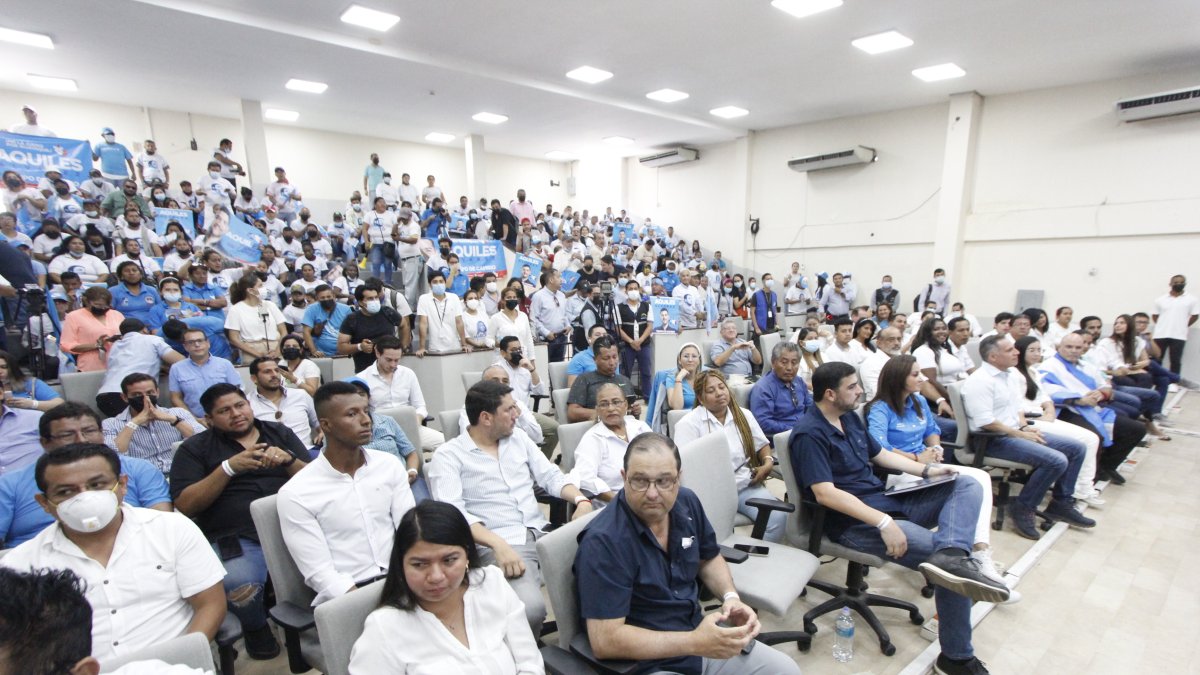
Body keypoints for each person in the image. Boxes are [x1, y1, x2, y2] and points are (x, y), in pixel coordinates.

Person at [791, 361, 1007, 675]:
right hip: (852, 521)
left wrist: (928, 471)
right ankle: (956, 659)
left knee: (965, 484)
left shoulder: (849, 417)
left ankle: (952, 555)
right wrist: (883, 522)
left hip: (883, 500)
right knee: (945, 565)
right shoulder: (809, 434)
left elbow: (879, 455)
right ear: (830, 394)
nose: (860, 391)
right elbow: (825, 494)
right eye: (852, 387)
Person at [575, 432, 802, 675]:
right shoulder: (604, 542)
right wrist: (696, 642)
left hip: (698, 636)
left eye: (664, 481)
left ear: (678, 479)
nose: (652, 493)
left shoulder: (686, 502)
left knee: (785, 670)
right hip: (647, 662)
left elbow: (709, 557)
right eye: (640, 481)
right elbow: (606, 641)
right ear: (624, 477)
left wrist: (730, 597)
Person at [1, 443, 225, 664]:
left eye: (97, 485)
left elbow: (210, 605)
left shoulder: (171, 529)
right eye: (66, 492)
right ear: (44, 503)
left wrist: (181, 662)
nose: (84, 498)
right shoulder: (20, 566)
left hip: (175, 666)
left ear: (123, 485)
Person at [428, 379, 594, 635]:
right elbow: (453, 514)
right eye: (510, 409)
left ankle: (583, 643)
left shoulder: (517, 438)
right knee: (530, 609)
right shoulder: (449, 456)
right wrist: (497, 544)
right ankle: (522, 655)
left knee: (605, 576)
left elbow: (550, 475)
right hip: (499, 542)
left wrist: (580, 500)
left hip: (541, 532)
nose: (517, 414)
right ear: (486, 417)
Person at [170, 383, 311, 660]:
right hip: (237, 534)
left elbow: (316, 478)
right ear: (209, 419)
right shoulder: (195, 448)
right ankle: (255, 626)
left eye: (240, 405)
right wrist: (228, 468)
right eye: (224, 411)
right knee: (240, 587)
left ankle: (312, 620)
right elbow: (186, 504)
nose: (236, 414)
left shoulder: (279, 432)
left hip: (296, 522)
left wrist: (288, 461)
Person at [865, 355, 1016, 595]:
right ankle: (968, 556)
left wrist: (934, 448)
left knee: (979, 479)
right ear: (897, 378)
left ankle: (977, 552)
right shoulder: (879, 409)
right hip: (898, 472)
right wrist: (917, 459)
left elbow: (932, 430)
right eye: (915, 374)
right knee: (968, 484)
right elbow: (878, 447)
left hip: (926, 466)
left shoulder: (918, 401)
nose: (921, 379)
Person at [348, 501, 543, 673]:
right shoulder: (386, 627)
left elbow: (529, 663)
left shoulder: (492, 584)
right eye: (420, 564)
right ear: (401, 564)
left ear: (467, 555)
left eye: (449, 560)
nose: (436, 577)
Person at [278, 382, 416, 606]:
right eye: (352, 414)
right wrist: (368, 603)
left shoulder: (389, 466)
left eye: (365, 411)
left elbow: (409, 528)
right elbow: (320, 573)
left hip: (401, 580)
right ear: (326, 425)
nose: (366, 420)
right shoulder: (297, 492)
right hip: (348, 594)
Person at [961, 336, 1094, 539]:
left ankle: (1061, 503)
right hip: (992, 439)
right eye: (1010, 350)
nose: (1017, 352)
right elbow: (985, 421)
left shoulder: (1010, 375)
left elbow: (1016, 409)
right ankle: (1024, 508)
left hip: (1014, 432)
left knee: (1076, 448)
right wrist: (1019, 433)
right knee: (1056, 460)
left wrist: (1024, 427)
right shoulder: (980, 381)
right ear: (994, 356)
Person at [2, 403, 172, 549]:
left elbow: (163, 525)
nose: (81, 440)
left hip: (134, 553)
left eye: (89, 431)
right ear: (45, 443)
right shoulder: (10, 484)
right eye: (67, 435)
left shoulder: (138, 469)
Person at [674, 370, 787, 542]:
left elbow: (762, 445)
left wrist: (768, 462)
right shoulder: (688, 424)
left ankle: (754, 557)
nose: (719, 393)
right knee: (709, 533)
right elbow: (684, 468)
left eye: (722, 387)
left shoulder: (743, 415)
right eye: (711, 391)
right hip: (710, 491)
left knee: (778, 516)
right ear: (701, 398)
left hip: (744, 485)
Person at [1038, 333, 1146, 487]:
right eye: (1069, 347)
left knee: (1136, 429)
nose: (1073, 350)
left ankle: (1105, 466)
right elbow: (1047, 390)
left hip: (1093, 408)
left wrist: (1100, 394)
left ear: (1083, 349)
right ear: (1059, 347)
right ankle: (1086, 482)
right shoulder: (1049, 366)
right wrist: (1078, 399)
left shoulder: (1087, 366)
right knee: (1095, 437)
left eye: (1078, 347)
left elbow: (1105, 385)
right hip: (1067, 409)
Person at [1011, 337, 1107, 506]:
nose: (1036, 354)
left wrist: (1050, 410)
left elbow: (1044, 396)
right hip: (1028, 421)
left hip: (1042, 417)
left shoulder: (1033, 371)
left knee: (1092, 438)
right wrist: (1040, 416)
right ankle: (1077, 491)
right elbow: (1016, 406)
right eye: (1031, 350)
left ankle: (1083, 488)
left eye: (1038, 350)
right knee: (1086, 441)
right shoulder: (1014, 374)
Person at [102, 373, 203, 476]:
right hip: (144, 478)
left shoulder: (178, 413)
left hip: (183, 472)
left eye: (150, 393)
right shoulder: (111, 424)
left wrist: (173, 420)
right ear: (125, 397)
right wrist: (135, 422)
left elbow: (204, 439)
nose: (145, 398)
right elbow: (113, 455)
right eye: (137, 395)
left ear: (157, 392)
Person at [356, 336, 444, 452]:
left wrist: (416, 420)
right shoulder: (362, 378)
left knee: (446, 443)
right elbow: (362, 413)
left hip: (410, 427)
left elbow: (420, 406)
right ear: (377, 353)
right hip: (381, 431)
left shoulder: (408, 374)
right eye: (389, 360)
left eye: (397, 360)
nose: (393, 365)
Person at [94, 318, 184, 416]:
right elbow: (181, 361)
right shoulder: (152, 339)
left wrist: (160, 367)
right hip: (130, 395)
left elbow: (130, 364)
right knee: (159, 423)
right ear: (145, 330)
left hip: (104, 396)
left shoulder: (116, 345)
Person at [167, 327, 241, 419]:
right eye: (191, 342)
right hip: (195, 420)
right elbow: (176, 398)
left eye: (200, 340)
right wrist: (194, 420)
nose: (197, 345)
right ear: (185, 346)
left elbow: (236, 391)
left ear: (208, 343)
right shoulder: (176, 368)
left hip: (227, 418)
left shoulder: (225, 364)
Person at [249, 358, 321, 450]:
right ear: (254, 378)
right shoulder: (248, 403)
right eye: (267, 372)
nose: (274, 375)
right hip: (270, 458)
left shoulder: (301, 395)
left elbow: (320, 423)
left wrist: (322, 433)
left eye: (276, 370)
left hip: (306, 453)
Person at [566, 337, 641, 422]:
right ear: (595, 360)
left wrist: (635, 411)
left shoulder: (624, 381)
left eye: (614, 357)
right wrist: (605, 413)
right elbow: (572, 412)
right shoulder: (584, 379)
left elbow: (631, 413)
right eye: (606, 358)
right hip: (595, 427)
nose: (612, 363)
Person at [750, 341, 814, 437]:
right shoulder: (763, 388)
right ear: (773, 362)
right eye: (784, 362)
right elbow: (763, 423)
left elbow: (810, 405)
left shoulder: (798, 381)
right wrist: (795, 429)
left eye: (794, 363)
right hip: (782, 437)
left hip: (805, 431)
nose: (789, 368)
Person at [338, 283, 405, 370]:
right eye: (370, 298)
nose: (375, 301)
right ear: (360, 302)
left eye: (376, 297)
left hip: (391, 367)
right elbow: (341, 347)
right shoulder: (352, 319)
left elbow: (404, 325)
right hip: (365, 369)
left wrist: (403, 346)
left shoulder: (387, 312)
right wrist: (360, 347)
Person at [224, 274, 287, 363]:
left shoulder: (270, 305)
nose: (264, 288)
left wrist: (277, 352)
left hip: (276, 348)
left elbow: (283, 331)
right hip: (251, 351)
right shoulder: (236, 309)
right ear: (250, 290)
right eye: (260, 285)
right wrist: (258, 354)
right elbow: (234, 338)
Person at [60, 286, 124, 372]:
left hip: (118, 363)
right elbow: (66, 345)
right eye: (97, 305)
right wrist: (96, 345)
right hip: (91, 365)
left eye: (105, 305)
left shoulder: (116, 314)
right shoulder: (74, 316)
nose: (102, 308)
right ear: (87, 301)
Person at [1152, 273, 1198, 376]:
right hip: (1161, 334)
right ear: (1170, 284)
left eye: (1182, 282)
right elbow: (1155, 315)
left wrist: (1183, 325)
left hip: (1179, 335)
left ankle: (1174, 382)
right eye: (1176, 282)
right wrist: (1162, 325)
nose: (1179, 284)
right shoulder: (1160, 300)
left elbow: (1195, 315)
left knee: (1175, 360)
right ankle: (1155, 379)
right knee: (1157, 358)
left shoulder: (1191, 300)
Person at [416, 272, 469, 356]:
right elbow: (423, 324)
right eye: (435, 282)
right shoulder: (424, 299)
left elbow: (459, 322)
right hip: (435, 348)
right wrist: (422, 347)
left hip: (454, 346)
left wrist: (464, 344)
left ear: (445, 283)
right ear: (430, 284)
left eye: (441, 281)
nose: (439, 284)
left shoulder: (454, 297)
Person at [617, 278, 653, 396]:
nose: (633, 291)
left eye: (635, 289)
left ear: (639, 290)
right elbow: (618, 328)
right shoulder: (619, 307)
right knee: (625, 373)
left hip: (644, 345)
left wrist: (640, 341)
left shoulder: (647, 306)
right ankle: (626, 397)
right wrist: (631, 342)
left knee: (646, 372)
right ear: (626, 291)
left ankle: (647, 396)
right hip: (627, 346)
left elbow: (650, 326)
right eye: (630, 289)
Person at [530, 269, 570, 363]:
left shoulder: (561, 295)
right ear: (551, 280)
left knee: (559, 366)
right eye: (559, 277)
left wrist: (568, 325)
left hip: (562, 336)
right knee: (546, 367)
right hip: (547, 339)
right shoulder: (538, 296)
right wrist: (546, 332)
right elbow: (534, 318)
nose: (562, 280)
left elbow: (564, 314)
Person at [301, 284, 351, 358]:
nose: (326, 299)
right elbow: (306, 331)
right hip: (321, 354)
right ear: (317, 298)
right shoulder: (311, 309)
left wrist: (348, 349)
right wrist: (314, 351)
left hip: (343, 353)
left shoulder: (346, 309)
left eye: (328, 297)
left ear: (333, 296)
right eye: (322, 297)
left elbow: (352, 331)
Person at [709, 318, 762, 384]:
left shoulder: (742, 342)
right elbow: (717, 362)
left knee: (764, 384)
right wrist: (733, 348)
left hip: (749, 378)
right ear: (721, 332)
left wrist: (753, 348)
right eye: (727, 328)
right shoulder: (718, 345)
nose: (731, 330)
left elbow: (758, 361)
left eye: (734, 328)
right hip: (732, 381)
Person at [859, 326, 902, 402]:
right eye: (891, 340)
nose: (897, 343)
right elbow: (878, 393)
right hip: (881, 406)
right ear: (879, 343)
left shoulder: (903, 359)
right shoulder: (871, 363)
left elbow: (921, 382)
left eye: (899, 339)